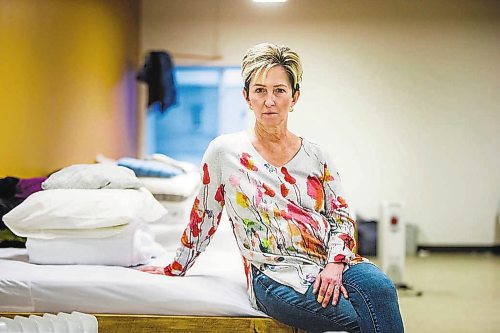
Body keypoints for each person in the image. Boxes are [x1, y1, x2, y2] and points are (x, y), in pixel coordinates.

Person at [139, 43, 404, 333]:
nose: (269, 100)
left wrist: (335, 265)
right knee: (351, 317)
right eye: (260, 90)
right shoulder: (224, 152)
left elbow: (340, 216)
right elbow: (204, 217)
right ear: (247, 97)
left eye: (279, 90)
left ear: (294, 97)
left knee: (381, 288)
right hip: (273, 274)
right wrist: (174, 267)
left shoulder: (317, 155)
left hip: (328, 260)